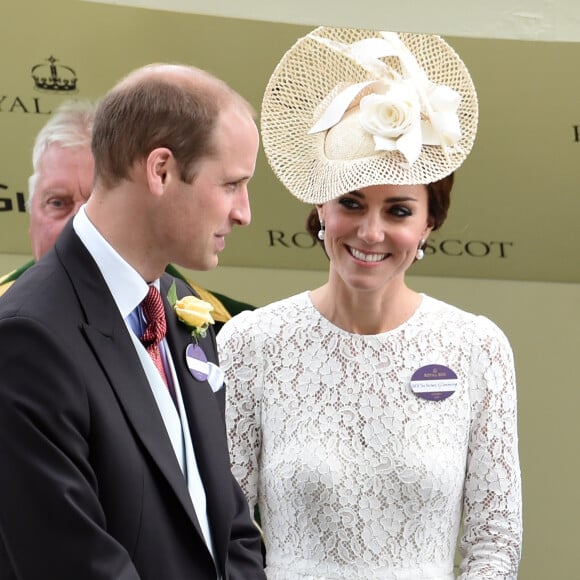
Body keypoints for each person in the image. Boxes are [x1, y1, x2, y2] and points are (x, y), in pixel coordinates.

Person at [217, 27, 522, 579]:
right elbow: (221, 535)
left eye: (399, 211)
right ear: (322, 210)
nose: (371, 232)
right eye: (352, 203)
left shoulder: (478, 347)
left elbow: (495, 546)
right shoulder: (249, 343)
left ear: (430, 221)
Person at [0, 63, 266, 579]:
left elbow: (229, 526)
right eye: (232, 184)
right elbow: (70, 563)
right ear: (160, 170)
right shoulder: (27, 337)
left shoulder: (185, 311)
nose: (244, 213)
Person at [0, 99, 255, 329]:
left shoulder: (232, 330)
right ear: (32, 217)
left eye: (97, 203)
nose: (77, 225)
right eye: (57, 203)